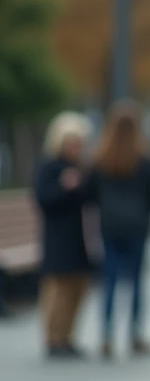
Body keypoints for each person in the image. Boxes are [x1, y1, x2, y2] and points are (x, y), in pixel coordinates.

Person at [88, 102, 150, 360]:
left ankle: (107, 334)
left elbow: (89, 193)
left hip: (110, 225)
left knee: (109, 281)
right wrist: (142, 210)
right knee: (136, 282)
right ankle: (135, 333)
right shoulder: (145, 159)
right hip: (137, 225)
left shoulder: (101, 158)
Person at [34, 111, 95, 360]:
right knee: (57, 287)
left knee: (78, 285)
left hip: (78, 235)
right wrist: (64, 187)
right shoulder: (50, 167)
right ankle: (53, 338)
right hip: (57, 235)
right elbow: (44, 199)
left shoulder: (78, 168)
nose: (77, 148)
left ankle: (68, 336)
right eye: (73, 143)